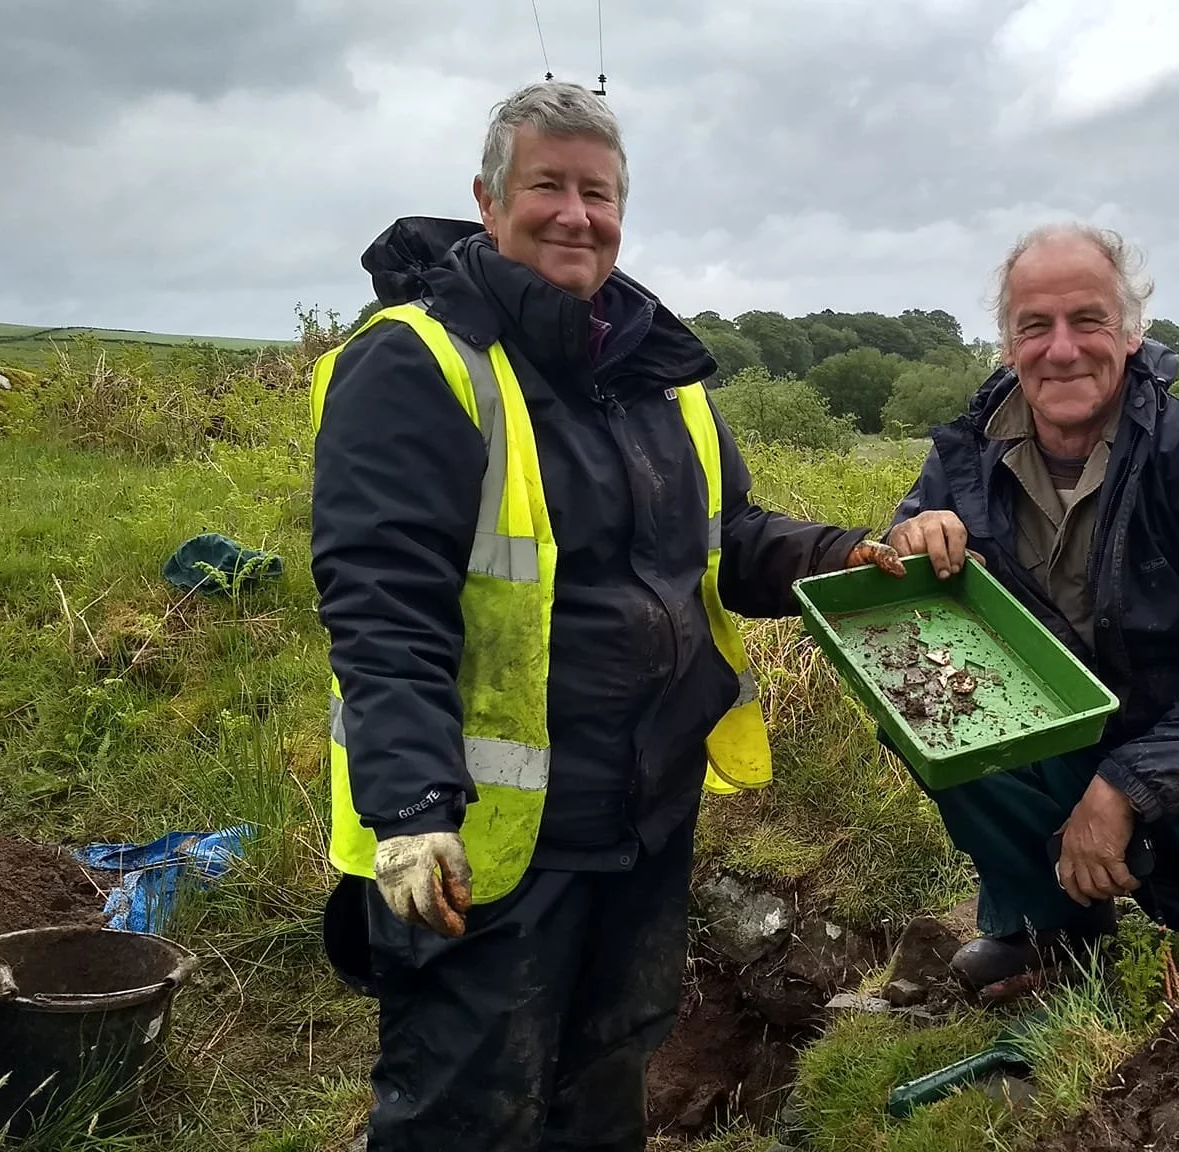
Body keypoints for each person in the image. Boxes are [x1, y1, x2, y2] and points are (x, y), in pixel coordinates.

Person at [309, 81, 902, 1152]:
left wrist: (847, 554)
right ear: (489, 202)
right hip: (482, 841)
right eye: (548, 186)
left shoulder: (659, 374)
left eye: (599, 192)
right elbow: (382, 600)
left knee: (607, 1077)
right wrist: (411, 809)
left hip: (644, 813)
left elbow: (723, 541)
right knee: (467, 1105)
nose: (575, 214)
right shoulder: (420, 361)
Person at [885, 224, 1179, 999]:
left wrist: (1124, 788)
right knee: (925, 700)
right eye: (1034, 326)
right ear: (1007, 346)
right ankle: (1050, 937)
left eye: (1089, 320)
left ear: (1133, 333)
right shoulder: (963, 462)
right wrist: (909, 542)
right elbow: (902, 610)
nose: (1062, 348)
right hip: (1064, 745)